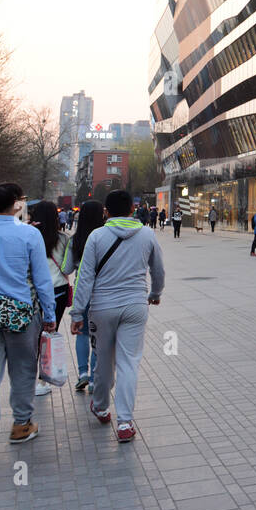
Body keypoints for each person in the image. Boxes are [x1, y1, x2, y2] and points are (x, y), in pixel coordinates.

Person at [0, 183, 56, 461]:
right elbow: (42, 280)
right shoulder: (30, 234)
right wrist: (50, 316)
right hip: (23, 315)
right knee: (22, 372)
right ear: (18, 204)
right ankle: (21, 425)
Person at [70, 190, 165, 444]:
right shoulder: (147, 234)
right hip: (135, 305)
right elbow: (158, 269)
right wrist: (155, 293)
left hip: (102, 308)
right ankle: (124, 422)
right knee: (128, 362)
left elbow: (84, 277)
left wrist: (78, 312)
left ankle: (100, 407)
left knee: (103, 359)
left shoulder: (96, 236)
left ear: (106, 211)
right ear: (133, 210)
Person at [29, 201, 74, 396]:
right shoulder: (63, 238)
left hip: (34, 293)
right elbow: (67, 268)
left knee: (33, 336)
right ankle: (43, 380)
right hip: (58, 291)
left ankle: (29, 378)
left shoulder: (29, 236)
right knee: (48, 334)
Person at [68, 199, 104, 392]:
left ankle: (82, 373)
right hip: (102, 294)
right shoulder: (104, 237)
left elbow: (66, 266)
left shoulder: (75, 239)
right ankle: (92, 379)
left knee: (81, 333)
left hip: (81, 292)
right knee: (97, 335)